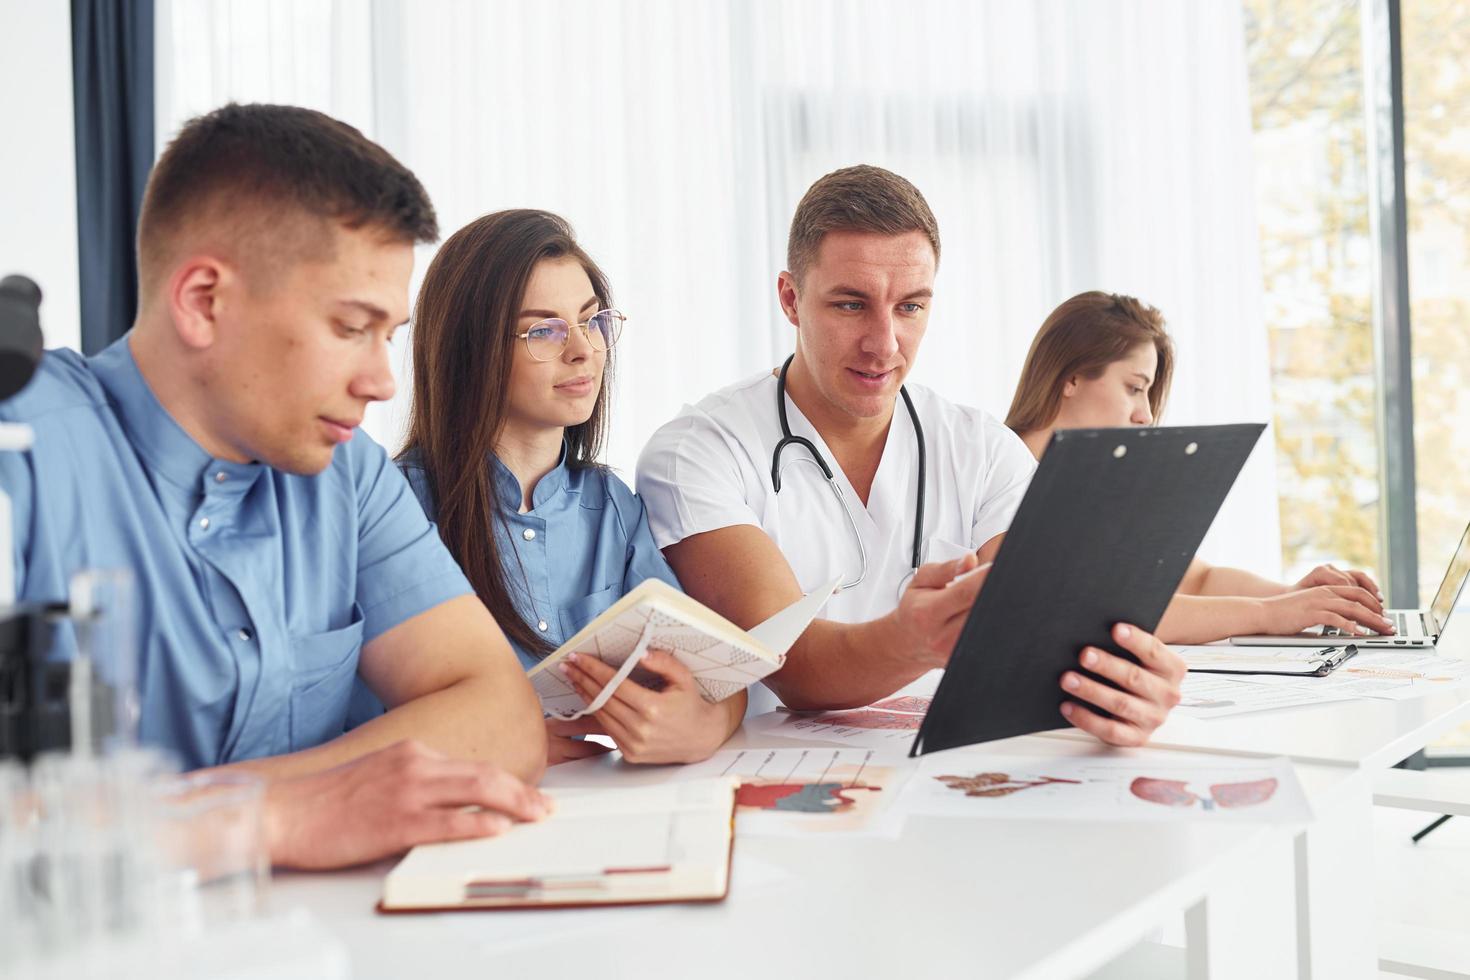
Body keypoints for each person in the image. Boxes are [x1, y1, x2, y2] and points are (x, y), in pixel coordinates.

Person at [0, 103, 550, 870]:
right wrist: (266, 818)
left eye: (388, 335)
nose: (383, 383)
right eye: (351, 327)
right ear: (203, 302)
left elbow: (502, 718)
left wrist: (162, 822)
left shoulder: (346, 470)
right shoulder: (19, 448)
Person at [637, 166, 1184, 747]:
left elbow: (1048, 628)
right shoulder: (696, 452)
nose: (885, 343)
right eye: (850, 305)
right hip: (772, 790)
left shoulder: (984, 450)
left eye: (911, 307)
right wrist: (916, 639)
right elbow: (788, 661)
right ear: (791, 299)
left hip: (954, 772)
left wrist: (1122, 684)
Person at [394, 209, 745, 765]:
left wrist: (703, 724)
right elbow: (360, 715)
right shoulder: (398, 511)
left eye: (591, 321)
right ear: (471, 350)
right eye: (543, 330)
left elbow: (708, 674)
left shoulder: (612, 507)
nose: (583, 350)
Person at [1005, 290, 1391, 644]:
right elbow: (1106, 616)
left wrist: (1295, 596)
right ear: (1071, 377)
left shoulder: (1086, 489)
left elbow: (1197, 580)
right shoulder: (1001, 474)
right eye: (1134, 388)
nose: (1147, 415)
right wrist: (1271, 613)